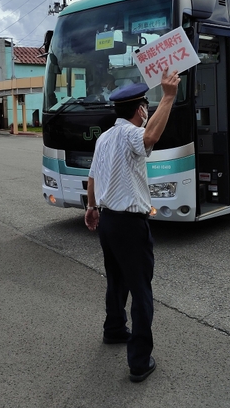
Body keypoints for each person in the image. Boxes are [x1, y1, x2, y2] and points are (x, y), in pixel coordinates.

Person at [85, 67, 180, 383]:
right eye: (146, 106)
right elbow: (150, 136)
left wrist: (90, 207)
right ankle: (139, 361)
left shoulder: (105, 137)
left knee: (116, 279)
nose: (147, 110)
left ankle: (114, 329)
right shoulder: (129, 134)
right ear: (140, 109)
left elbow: (92, 178)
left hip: (108, 221)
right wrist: (168, 96)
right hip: (129, 225)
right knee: (140, 291)